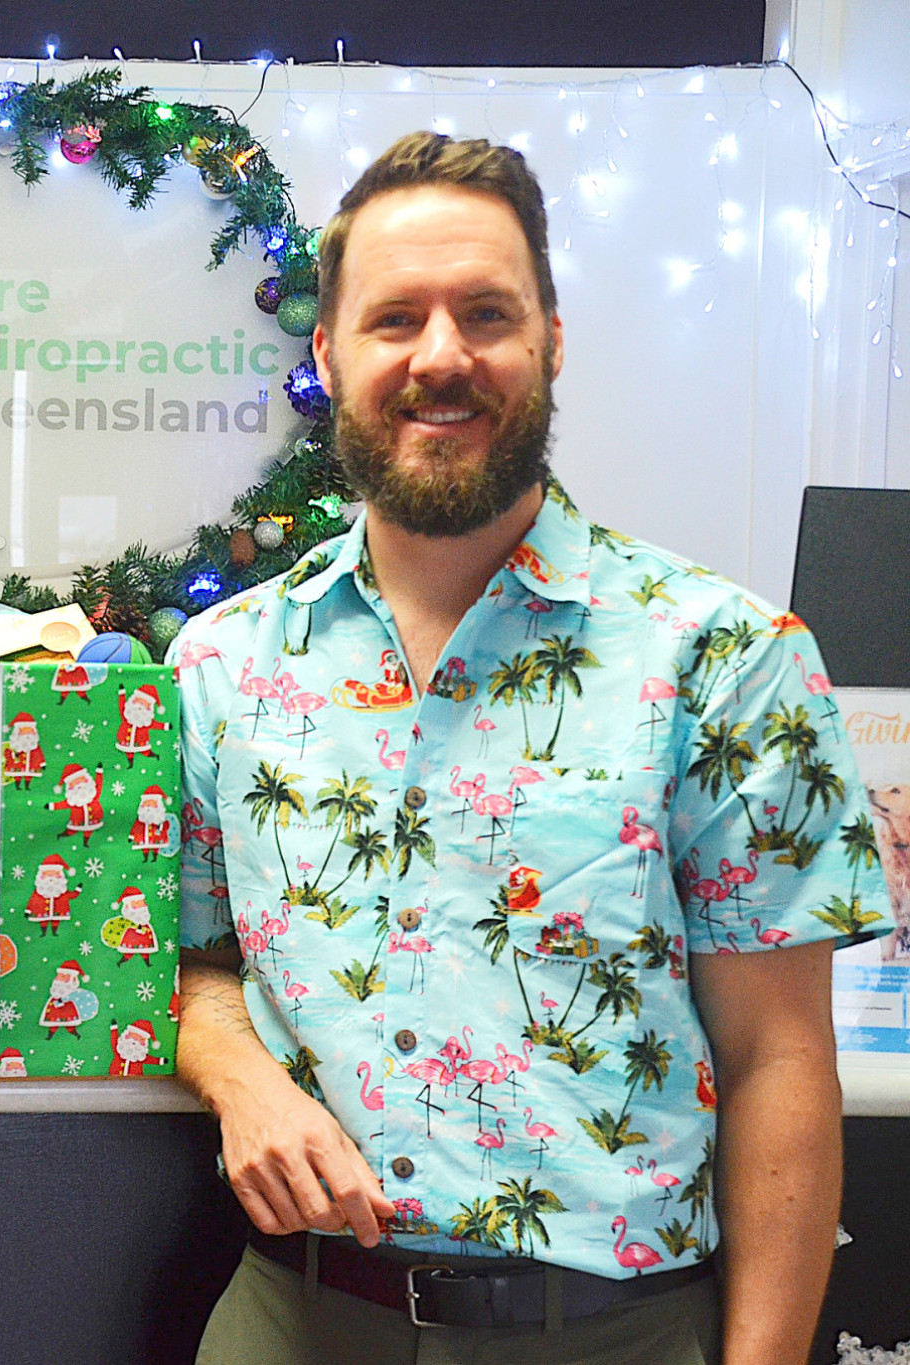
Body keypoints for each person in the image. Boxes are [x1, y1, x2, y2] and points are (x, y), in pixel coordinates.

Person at [172, 133, 868, 1364]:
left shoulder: (722, 656)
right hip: (293, 1317)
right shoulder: (223, 662)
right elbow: (190, 961)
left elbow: (780, 1060)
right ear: (328, 356)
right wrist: (242, 1079)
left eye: (483, 313)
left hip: (610, 1333)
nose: (440, 355)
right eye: (394, 319)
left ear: (548, 338)